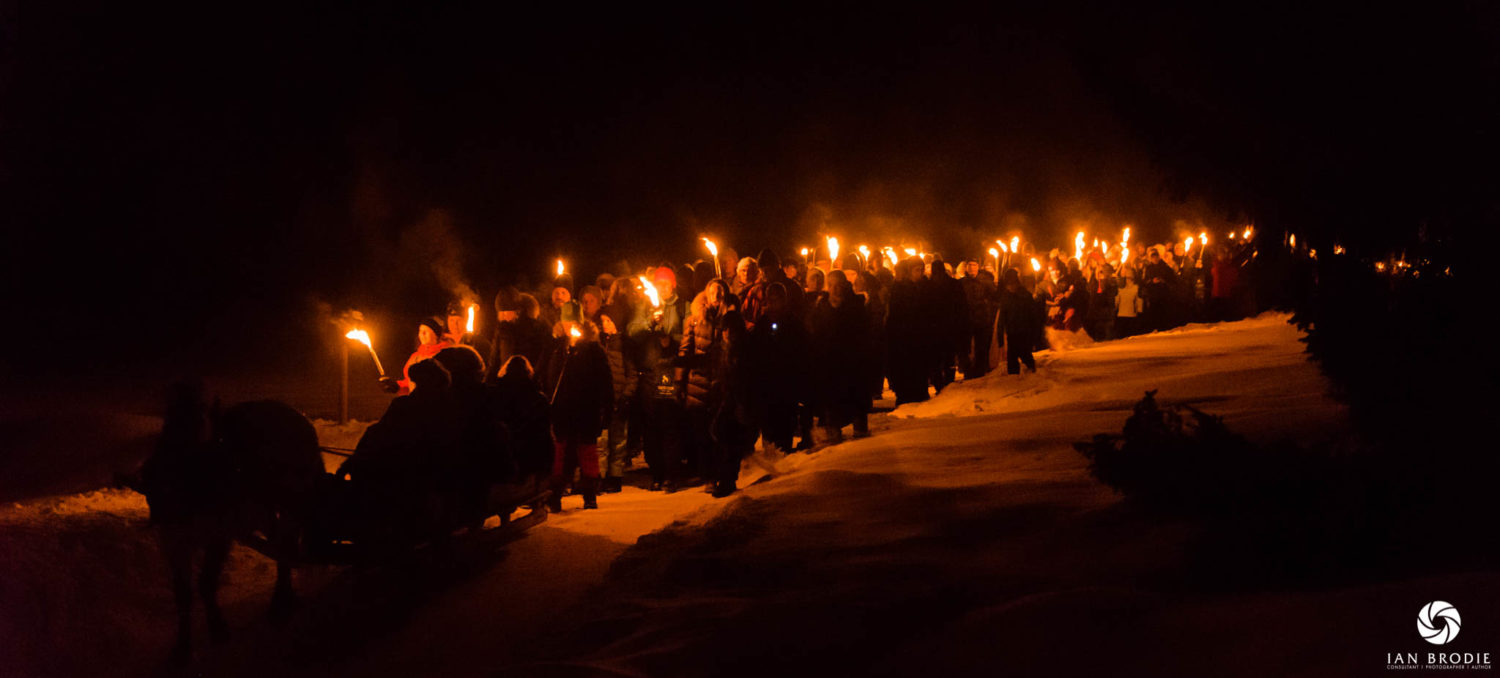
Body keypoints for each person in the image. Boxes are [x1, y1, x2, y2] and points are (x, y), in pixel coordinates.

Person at [139, 380, 234, 661]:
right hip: (182, 502)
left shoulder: (208, 449)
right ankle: (194, 626)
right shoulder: (177, 444)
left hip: (195, 496)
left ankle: (205, 616)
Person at [545, 319, 613, 511]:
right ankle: (555, 495)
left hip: (586, 410)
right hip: (563, 411)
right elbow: (550, 376)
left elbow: (605, 382)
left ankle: (590, 495)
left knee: (587, 452)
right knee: (560, 454)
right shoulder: (559, 350)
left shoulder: (594, 352)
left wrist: (606, 409)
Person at [677, 279, 734, 490]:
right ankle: (706, 475)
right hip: (698, 383)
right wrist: (678, 382)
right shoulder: (694, 321)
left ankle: (719, 474)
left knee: (719, 431)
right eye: (712, 291)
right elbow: (685, 351)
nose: (716, 295)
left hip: (720, 383)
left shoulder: (729, 320)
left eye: (720, 291)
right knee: (701, 434)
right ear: (706, 294)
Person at [598, 277, 640, 493]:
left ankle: (615, 476)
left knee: (619, 440)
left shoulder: (623, 345)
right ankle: (601, 475)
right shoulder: (599, 345)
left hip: (619, 399)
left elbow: (632, 374)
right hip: (603, 401)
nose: (604, 325)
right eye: (602, 321)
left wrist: (626, 396)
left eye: (608, 321)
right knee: (602, 441)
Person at [886, 259, 932, 405]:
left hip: (918, 335)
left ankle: (919, 393)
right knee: (905, 368)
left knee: (919, 367)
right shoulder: (900, 288)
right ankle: (905, 395)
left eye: (921, 270)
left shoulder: (924, 287)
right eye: (916, 270)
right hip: (903, 335)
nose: (920, 273)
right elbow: (896, 312)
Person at [486, 287, 553, 387]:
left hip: (528, 383)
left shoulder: (534, 328)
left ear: (517, 311)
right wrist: (487, 382)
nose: (503, 316)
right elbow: (494, 360)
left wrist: (534, 376)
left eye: (506, 312)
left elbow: (542, 356)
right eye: (501, 313)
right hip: (505, 383)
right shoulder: (501, 330)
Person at [995, 268, 1039, 374]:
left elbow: (1033, 316)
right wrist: (1000, 337)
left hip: (1025, 332)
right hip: (1012, 333)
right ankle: (1013, 378)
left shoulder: (1025, 296)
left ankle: (1032, 373)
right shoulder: (1005, 298)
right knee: (1012, 358)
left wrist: (1035, 336)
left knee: (1025, 354)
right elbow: (1002, 318)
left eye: (1013, 284)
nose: (1011, 287)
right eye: (1009, 285)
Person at [396, 318, 454, 395]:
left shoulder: (446, 355)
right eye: (420, 331)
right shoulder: (415, 357)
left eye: (426, 331)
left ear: (436, 335)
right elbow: (409, 382)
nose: (422, 334)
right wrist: (397, 386)